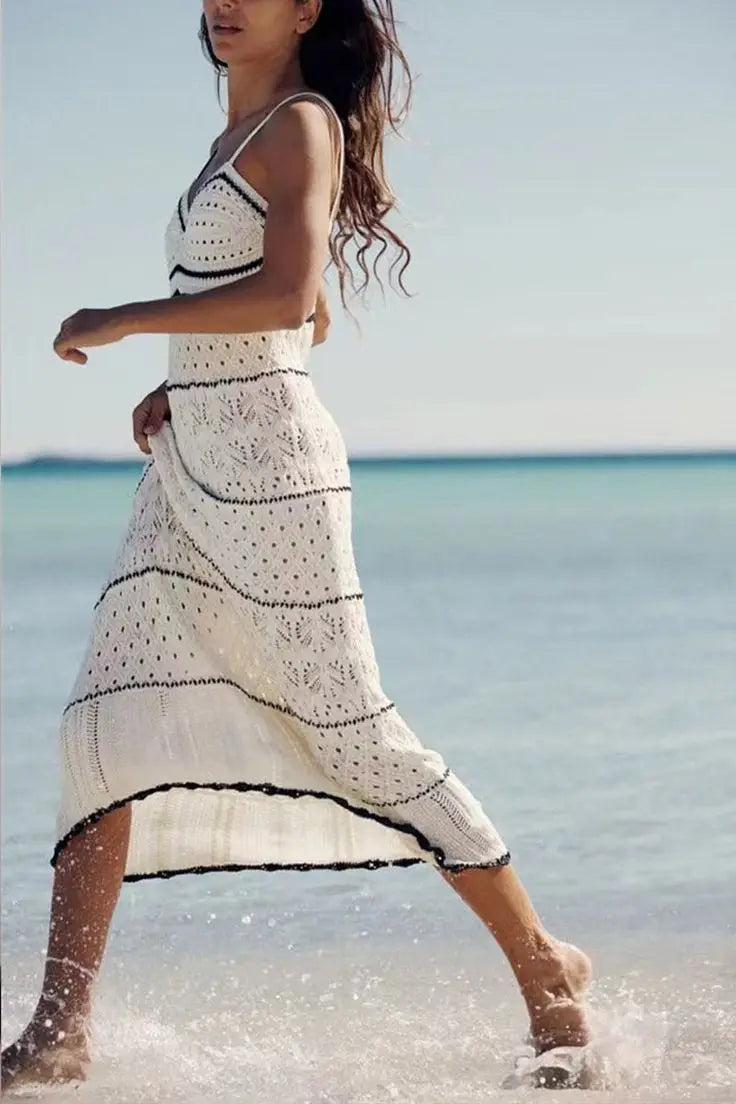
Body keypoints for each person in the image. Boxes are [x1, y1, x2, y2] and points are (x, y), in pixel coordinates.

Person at [1, 0, 593, 1092]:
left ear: (306, 9)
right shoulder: (232, 141)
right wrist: (180, 383)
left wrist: (127, 319)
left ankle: (545, 968)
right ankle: (60, 1028)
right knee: (101, 727)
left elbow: (288, 294)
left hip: (275, 482)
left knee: (355, 737)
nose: (224, 3)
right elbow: (298, 317)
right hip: (189, 479)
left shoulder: (301, 124)